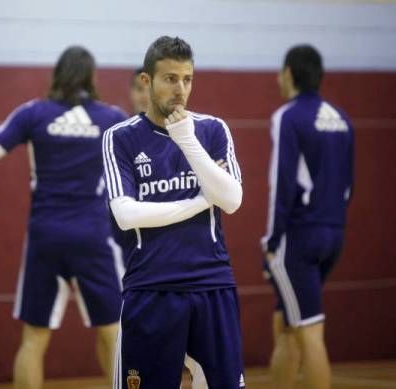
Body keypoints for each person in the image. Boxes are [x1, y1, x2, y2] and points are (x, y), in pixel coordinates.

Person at [0, 46, 127, 388]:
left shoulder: (34, 113)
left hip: (45, 238)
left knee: (33, 339)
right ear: (92, 77)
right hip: (93, 237)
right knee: (114, 334)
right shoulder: (112, 118)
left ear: (57, 74)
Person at [103, 36, 245, 389]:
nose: (180, 89)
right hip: (151, 288)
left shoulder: (212, 130)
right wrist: (199, 201)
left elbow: (231, 199)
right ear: (146, 82)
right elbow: (126, 214)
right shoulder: (120, 138)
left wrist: (186, 139)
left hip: (212, 284)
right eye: (170, 79)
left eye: (187, 79)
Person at [261, 44, 354, 389]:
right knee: (287, 324)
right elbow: (348, 184)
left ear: (288, 74)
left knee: (310, 331)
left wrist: (272, 242)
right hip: (334, 233)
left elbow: (280, 184)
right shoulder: (342, 119)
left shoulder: (287, 116)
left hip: (299, 236)